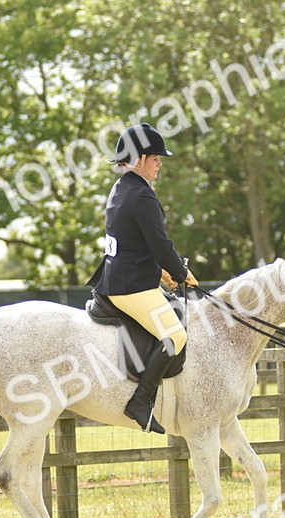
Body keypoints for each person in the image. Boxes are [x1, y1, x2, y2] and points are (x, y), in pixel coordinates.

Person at [88, 123, 198, 434]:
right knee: (176, 336)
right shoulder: (142, 195)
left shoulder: (121, 188)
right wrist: (181, 273)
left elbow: (132, 243)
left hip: (120, 276)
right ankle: (140, 401)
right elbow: (160, 245)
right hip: (130, 286)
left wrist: (162, 272)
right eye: (156, 159)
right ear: (139, 159)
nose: (160, 164)